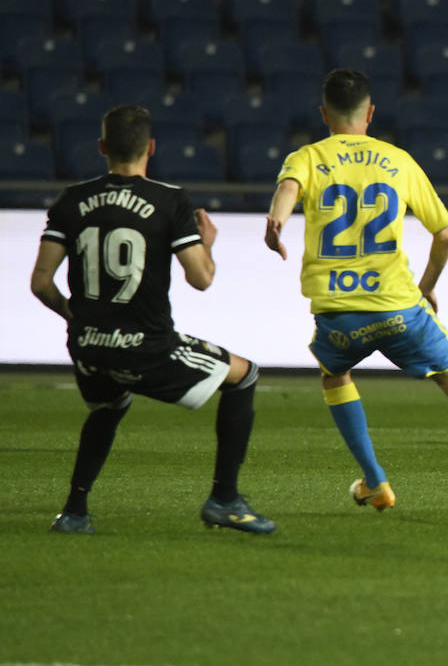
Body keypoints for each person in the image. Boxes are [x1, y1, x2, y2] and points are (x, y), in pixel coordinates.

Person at [264, 69, 448, 526]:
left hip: (339, 318)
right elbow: (446, 235)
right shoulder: (397, 160)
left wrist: (276, 221)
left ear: (324, 114)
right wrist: (427, 285)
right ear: (370, 113)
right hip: (400, 309)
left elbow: (287, 190)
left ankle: (375, 481)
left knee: (334, 374)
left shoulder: (309, 157)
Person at [31, 105, 275, 535]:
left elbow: (41, 283)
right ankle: (224, 500)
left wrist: (75, 316)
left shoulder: (71, 200)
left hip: (88, 346)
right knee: (244, 376)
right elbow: (201, 279)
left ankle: (74, 512)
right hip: (146, 345)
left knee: (111, 402)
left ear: (102, 147)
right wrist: (207, 243)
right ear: (151, 148)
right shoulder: (169, 200)